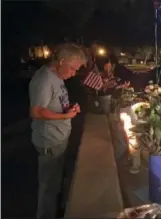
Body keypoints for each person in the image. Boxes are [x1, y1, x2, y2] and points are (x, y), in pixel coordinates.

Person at [29, 43, 86, 219]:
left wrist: (68, 108)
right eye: (72, 68)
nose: (73, 73)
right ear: (61, 61)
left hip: (59, 139)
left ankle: (58, 211)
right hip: (50, 141)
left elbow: (53, 103)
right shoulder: (44, 79)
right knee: (48, 188)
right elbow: (37, 111)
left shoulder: (57, 76)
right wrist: (65, 116)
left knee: (56, 183)